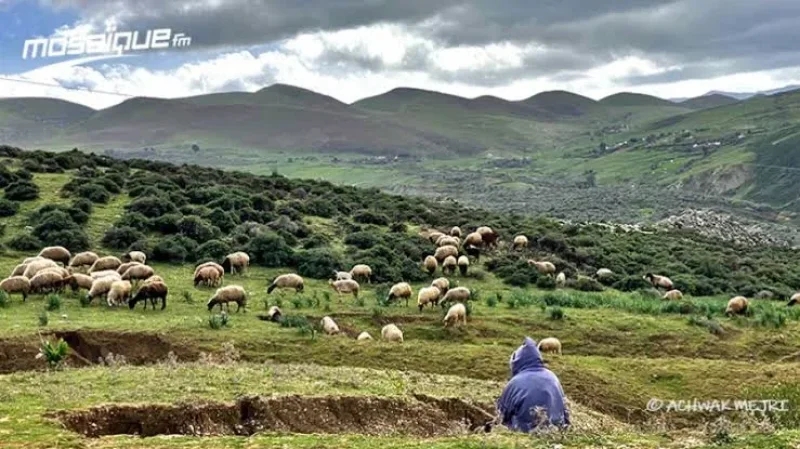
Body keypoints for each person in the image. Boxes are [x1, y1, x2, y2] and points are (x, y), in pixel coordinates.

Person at [495, 336, 570, 432]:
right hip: (555, 431)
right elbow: (564, 408)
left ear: (517, 362)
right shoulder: (552, 377)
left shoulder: (514, 383)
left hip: (525, 432)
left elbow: (502, 413)